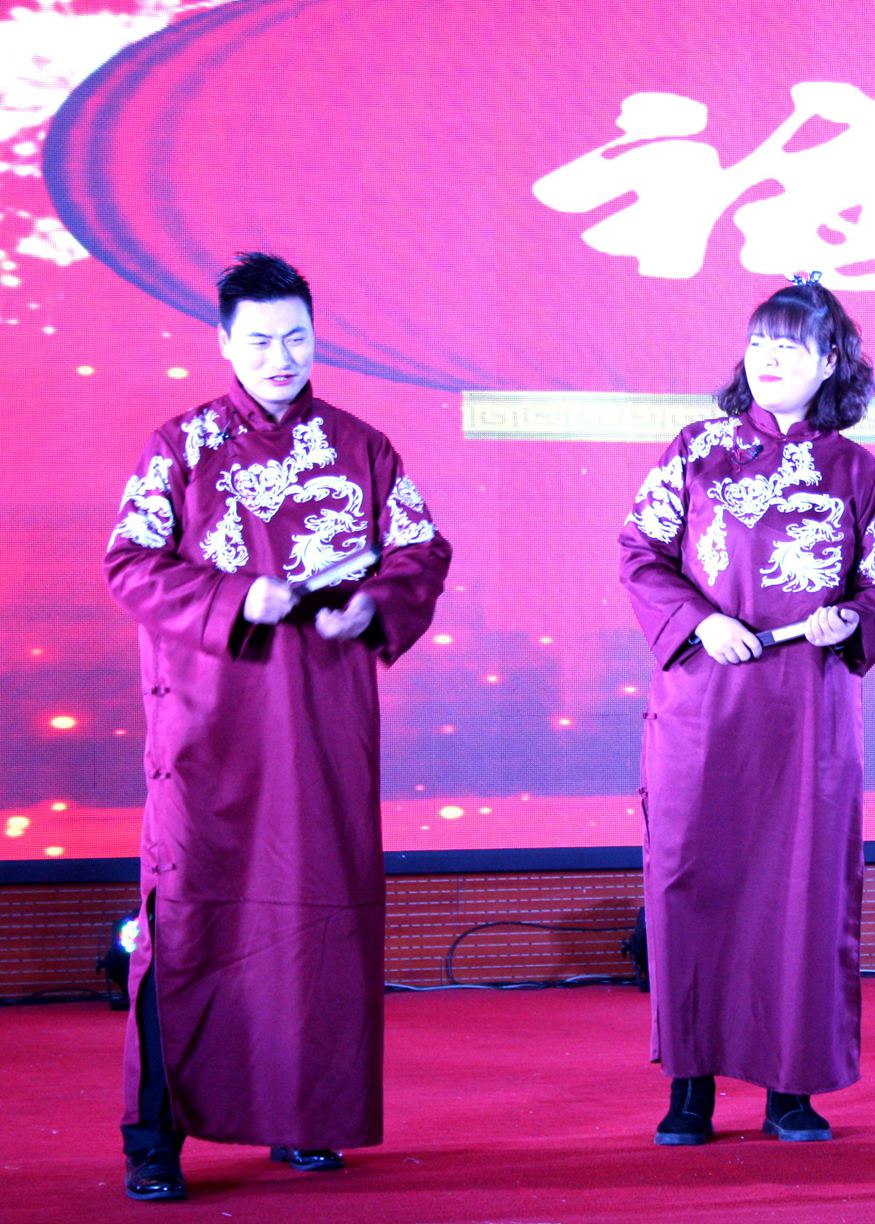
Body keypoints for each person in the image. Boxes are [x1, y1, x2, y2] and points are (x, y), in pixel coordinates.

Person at [104, 252, 452, 1201]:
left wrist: (373, 604)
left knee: (318, 924)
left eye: (296, 337)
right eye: (259, 340)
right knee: (187, 922)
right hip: (211, 729)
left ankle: (303, 1117)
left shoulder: (362, 447)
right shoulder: (181, 447)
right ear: (224, 343)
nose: (280, 356)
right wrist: (236, 599)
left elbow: (421, 551)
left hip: (324, 723)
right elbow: (130, 563)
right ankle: (154, 1136)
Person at [619, 277, 875, 1145]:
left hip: (808, 711)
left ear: (830, 364)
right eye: (759, 344)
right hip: (704, 703)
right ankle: (690, 1086)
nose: (770, 359)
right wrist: (700, 622)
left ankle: (792, 1086)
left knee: (804, 892)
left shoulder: (856, 471)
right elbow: (640, 551)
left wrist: (850, 619)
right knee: (690, 882)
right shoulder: (696, 450)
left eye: (790, 347)